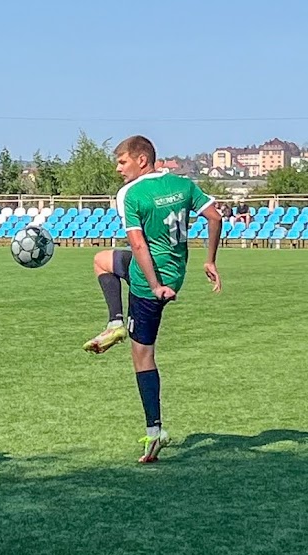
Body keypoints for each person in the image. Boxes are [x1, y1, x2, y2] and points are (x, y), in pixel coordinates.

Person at [83, 135, 223, 463]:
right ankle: (115, 323)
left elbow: (139, 246)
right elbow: (215, 217)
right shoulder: (182, 183)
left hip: (151, 282)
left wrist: (154, 285)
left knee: (143, 356)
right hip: (175, 273)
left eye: (122, 162)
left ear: (141, 160)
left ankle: (154, 429)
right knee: (103, 260)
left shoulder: (131, 194)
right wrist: (210, 260)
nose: (118, 169)